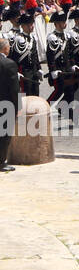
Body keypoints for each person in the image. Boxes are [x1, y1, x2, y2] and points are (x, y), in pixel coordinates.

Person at [0, 37, 18, 172]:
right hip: (6, 104)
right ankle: (1, 162)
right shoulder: (9, 64)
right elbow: (14, 89)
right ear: (5, 48)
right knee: (4, 134)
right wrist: (17, 108)